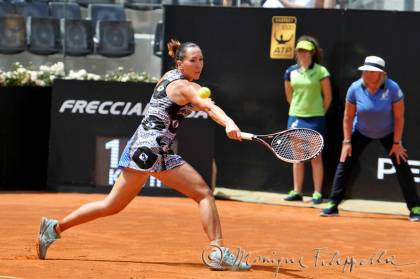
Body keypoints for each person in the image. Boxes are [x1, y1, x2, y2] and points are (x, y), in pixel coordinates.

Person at [36, 39, 251, 271]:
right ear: (180, 63)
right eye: (192, 60)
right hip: (150, 151)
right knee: (203, 195)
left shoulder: (172, 78)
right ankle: (218, 252)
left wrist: (208, 107)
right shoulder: (185, 87)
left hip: (151, 149)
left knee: (112, 205)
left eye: (201, 60)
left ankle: (54, 228)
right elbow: (207, 106)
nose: (199, 65)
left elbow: (199, 103)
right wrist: (229, 123)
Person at [320, 56, 420, 222]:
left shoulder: (393, 88)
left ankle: (415, 207)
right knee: (344, 162)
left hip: (388, 133)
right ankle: (332, 204)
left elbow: (399, 117)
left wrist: (397, 142)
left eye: (372, 71)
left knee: (402, 165)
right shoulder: (355, 88)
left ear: (382, 74)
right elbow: (348, 117)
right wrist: (346, 141)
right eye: (365, 70)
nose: (367, 73)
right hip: (361, 131)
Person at [283, 35, 332, 204]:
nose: (302, 54)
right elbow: (289, 96)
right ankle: (297, 191)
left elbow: (328, 97)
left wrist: (318, 113)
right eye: (300, 51)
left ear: (312, 53)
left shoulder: (321, 71)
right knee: (296, 157)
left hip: (316, 118)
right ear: (296, 53)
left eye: (305, 51)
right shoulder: (290, 72)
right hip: (296, 117)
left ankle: (317, 193)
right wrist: (298, 110)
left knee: (315, 157)